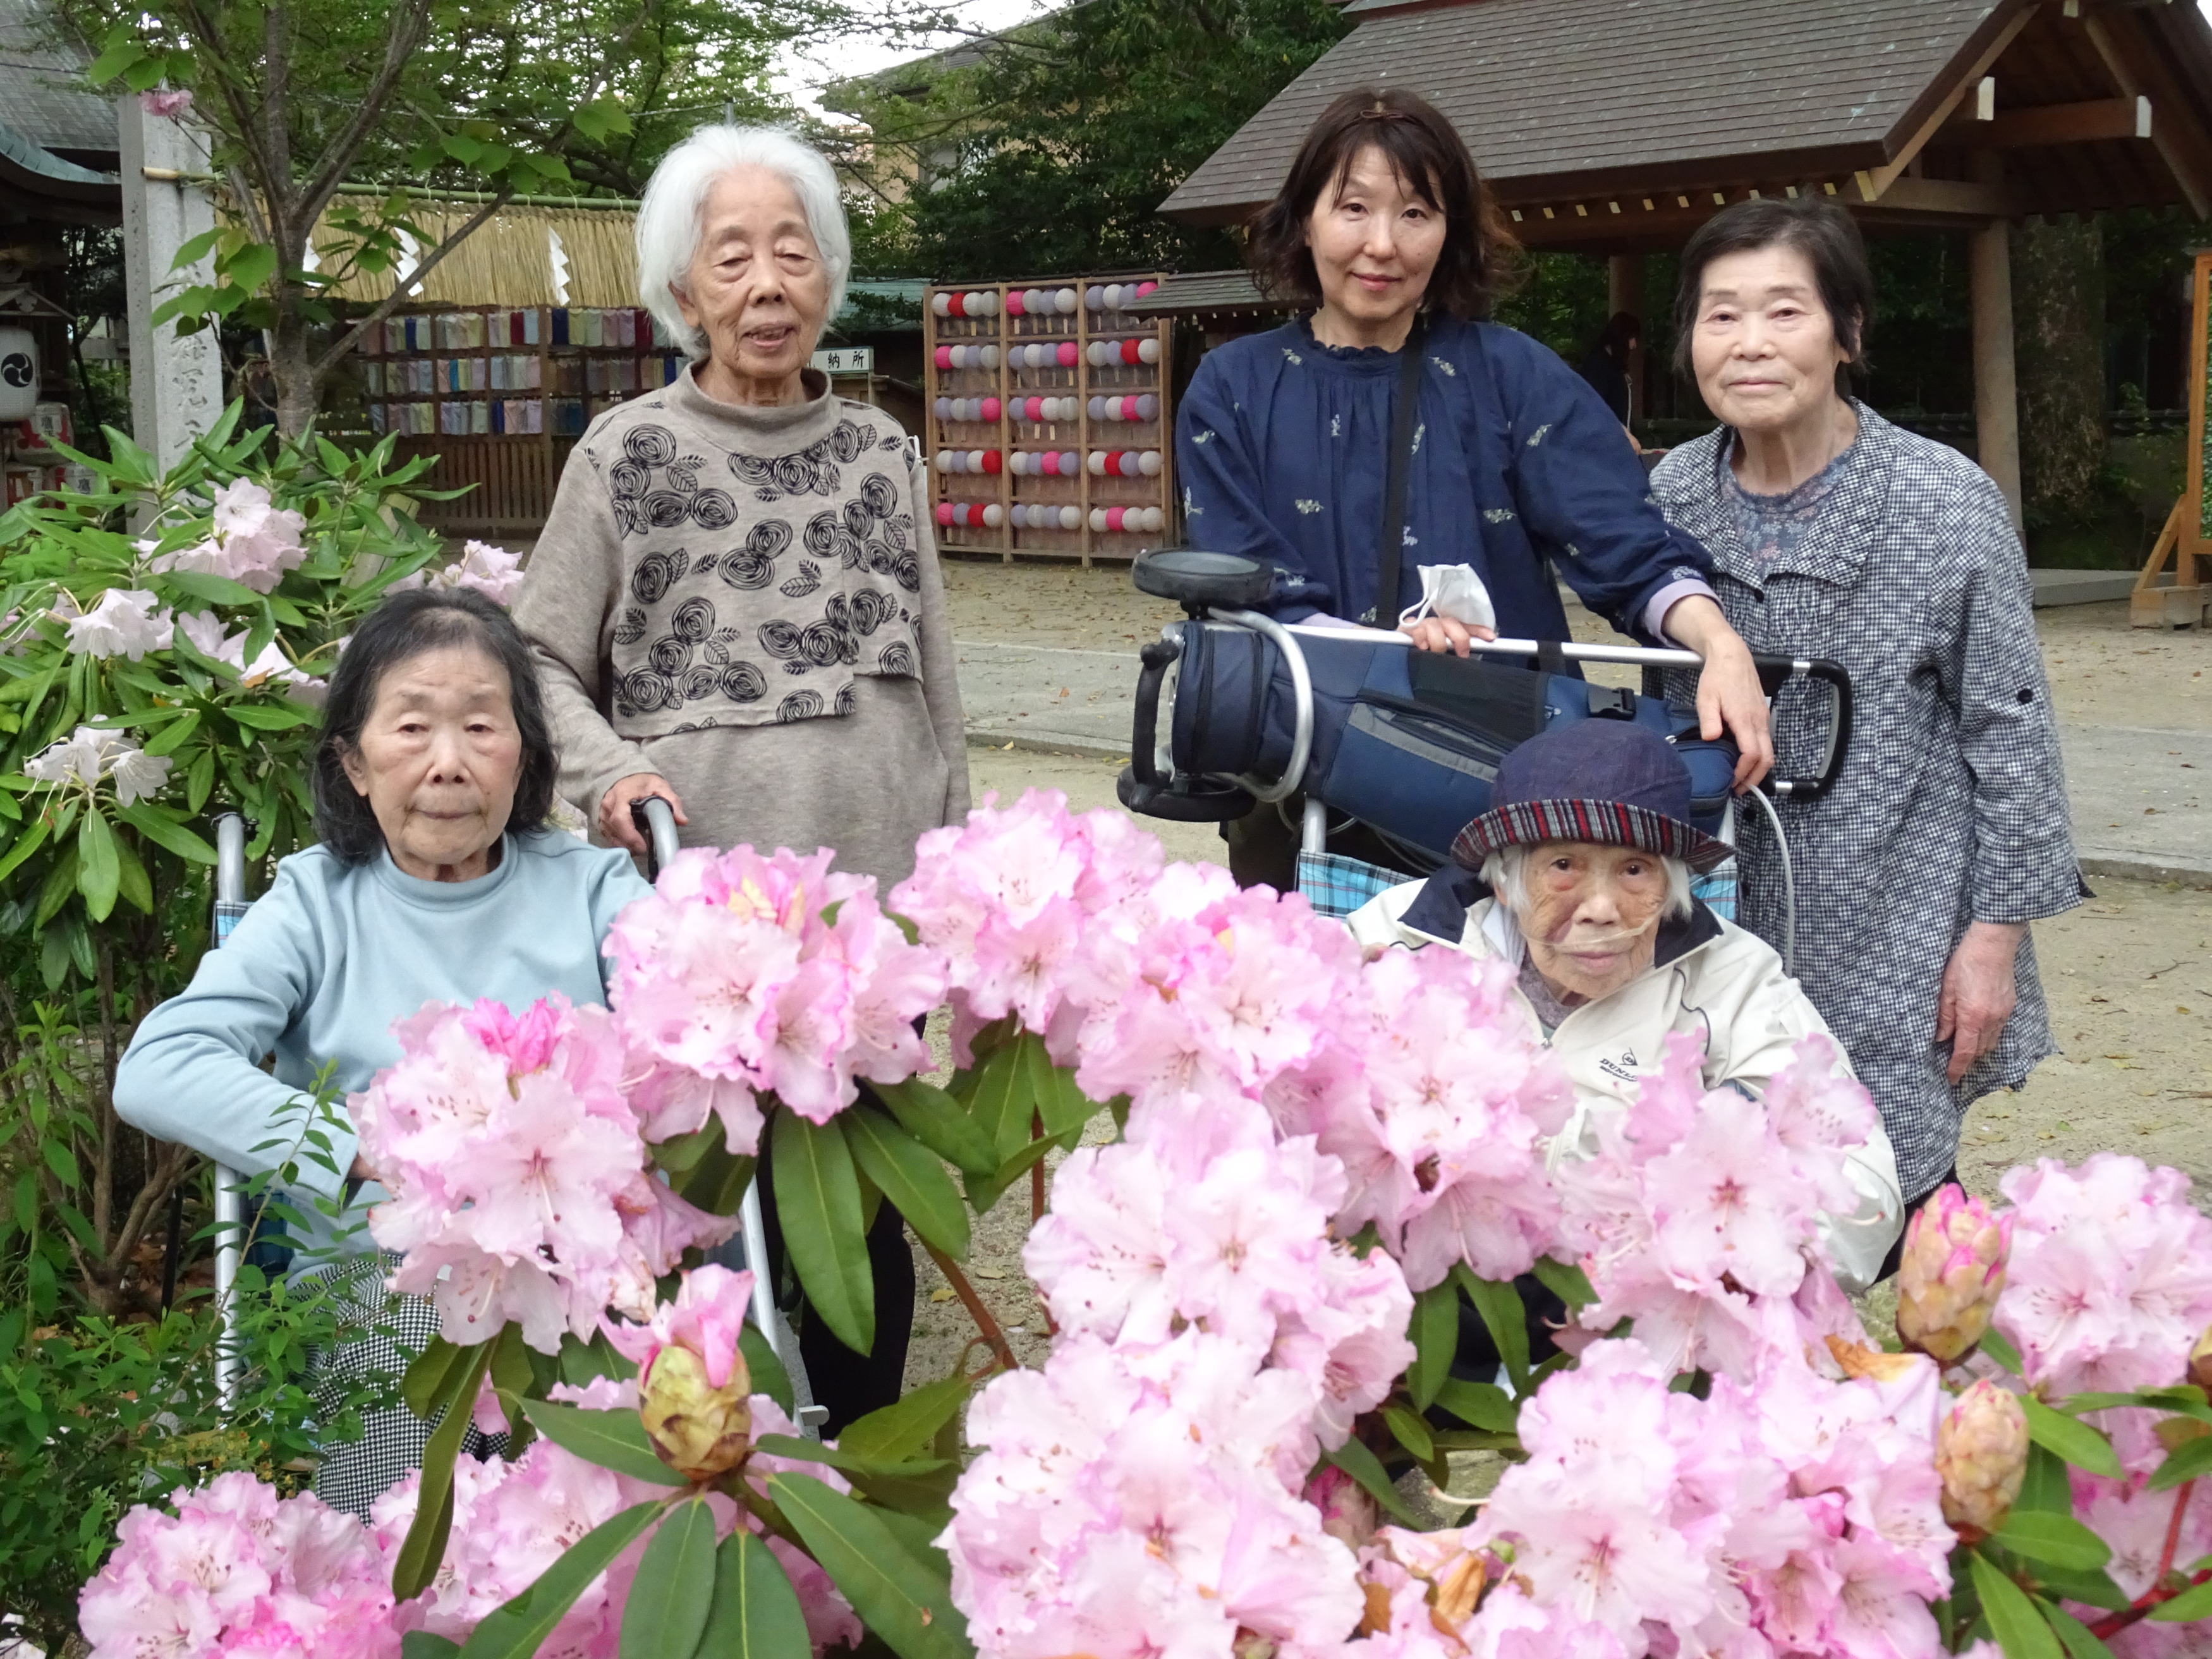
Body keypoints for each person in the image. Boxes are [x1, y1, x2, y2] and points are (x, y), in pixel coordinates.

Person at [514, 123, 969, 1429]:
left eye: (794, 251)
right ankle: (719, 1490)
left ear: (827, 276)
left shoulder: (885, 452)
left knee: (859, 1213)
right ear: (681, 291)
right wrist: (610, 775)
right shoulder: (624, 451)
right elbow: (538, 658)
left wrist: (955, 869)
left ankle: (859, 1476)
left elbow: (933, 676)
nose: (769, 283)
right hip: (699, 913)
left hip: (869, 911)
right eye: (734, 257)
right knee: (709, 1215)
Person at [115, 588, 653, 1516]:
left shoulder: (596, 889)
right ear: (353, 764)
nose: (449, 764)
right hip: (383, 1291)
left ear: (525, 758)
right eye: (412, 727)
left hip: (587, 1278)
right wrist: (354, 1148)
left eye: (483, 727)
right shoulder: (317, 903)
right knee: (403, 1481)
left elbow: (687, 1059)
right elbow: (159, 1067)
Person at [1174, 85, 1772, 890]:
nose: (1381, 244)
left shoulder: (1508, 373)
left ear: (1449, 232)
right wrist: (1385, 658)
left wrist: (1718, 644)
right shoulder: (1232, 387)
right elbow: (1245, 580)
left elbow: (1621, 542)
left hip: (1495, 780)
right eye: (1353, 208)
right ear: (1304, 219)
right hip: (1291, 778)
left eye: (1416, 213)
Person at [1650, 196, 2081, 1239]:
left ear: (1847, 333)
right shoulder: (1667, 496)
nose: (1750, 343)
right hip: (1721, 904)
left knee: (1884, 1183)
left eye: (1784, 311)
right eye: (1721, 315)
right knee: (1726, 1195)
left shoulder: (1942, 502)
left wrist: (1993, 941)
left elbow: (2012, 729)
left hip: (1901, 903)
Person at [1347, 719, 1903, 1294]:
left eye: (1635, 869)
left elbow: (1864, 1186)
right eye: (1563, 865)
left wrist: (1725, 1249)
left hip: (1639, 1305)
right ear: (1507, 881)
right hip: (1419, 1285)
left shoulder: (1734, 979)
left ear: (1673, 888)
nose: (1602, 907)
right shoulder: (1402, 938)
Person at [1576, 310, 1640, 428]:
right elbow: (1595, 409)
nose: (1634, 345)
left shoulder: (1613, 365)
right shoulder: (1598, 367)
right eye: (1632, 338)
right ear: (1623, 337)